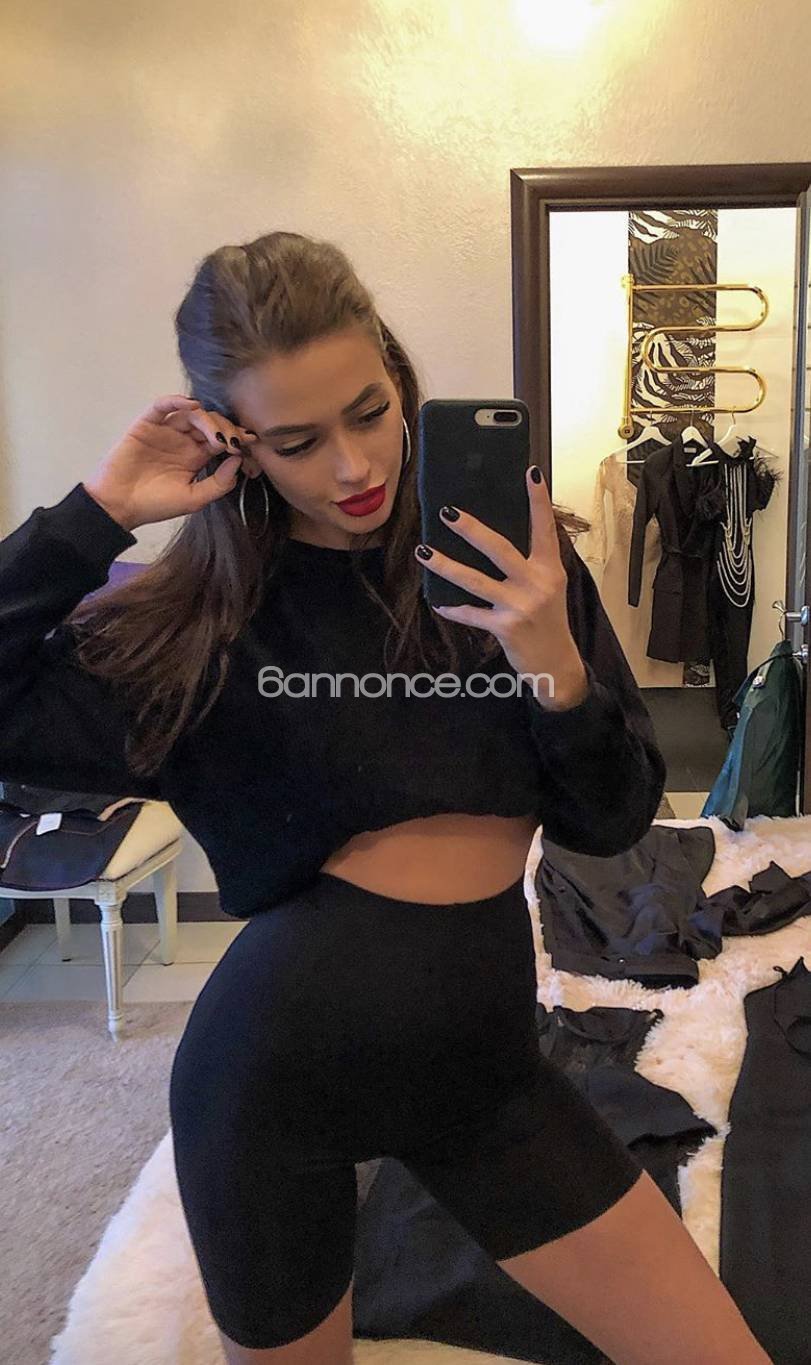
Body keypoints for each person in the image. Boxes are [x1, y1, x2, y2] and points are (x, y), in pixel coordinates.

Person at [0, 231, 772, 1365]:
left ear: (398, 378)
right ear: (233, 441)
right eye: (297, 441)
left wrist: (554, 667)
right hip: (267, 1094)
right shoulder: (205, 624)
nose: (352, 466)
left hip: (489, 1081)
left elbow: (611, 822)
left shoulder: (515, 568)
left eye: (369, 412)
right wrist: (99, 509)